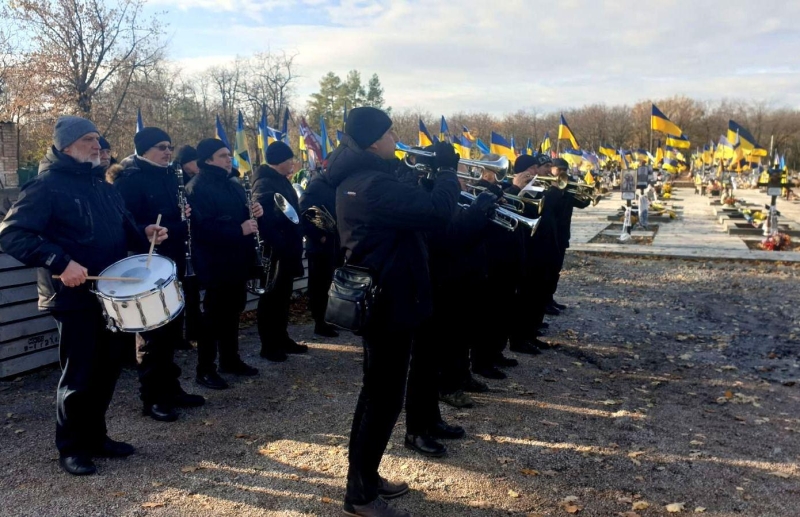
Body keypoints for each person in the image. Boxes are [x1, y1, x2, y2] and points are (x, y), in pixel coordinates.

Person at [0, 116, 168, 476]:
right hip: (71, 296)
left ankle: (96, 437)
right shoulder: (45, 187)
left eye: (98, 140)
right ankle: (72, 447)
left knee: (107, 369)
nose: (98, 146)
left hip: (112, 293)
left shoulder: (103, 186)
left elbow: (122, 231)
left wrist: (145, 233)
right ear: (67, 145)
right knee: (79, 374)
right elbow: (12, 235)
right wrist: (59, 261)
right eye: (90, 140)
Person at [327, 107, 460, 517]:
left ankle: (366, 477)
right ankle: (359, 495)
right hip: (390, 303)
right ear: (372, 141)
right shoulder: (370, 185)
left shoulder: (361, 178)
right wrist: (447, 170)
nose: (395, 140)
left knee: (378, 395)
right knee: (382, 399)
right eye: (389, 134)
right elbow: (438, 212)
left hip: (387, 297)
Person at [114, 127, 205, 422]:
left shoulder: (170, 175)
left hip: (173, 260)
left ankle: (171, 387)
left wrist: (183, 221)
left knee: (171, 331)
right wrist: (150, 231)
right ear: (144, 149)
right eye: (161, 147)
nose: (168, 152)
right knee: (152, 333)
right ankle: (152, 398)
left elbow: (176, 221)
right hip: (147, 264)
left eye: (169, 146)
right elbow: (125, 224)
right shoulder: (130, 179)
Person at [186, 138, 263, 390]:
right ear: (208, 159)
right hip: (215, 261)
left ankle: (230, 360)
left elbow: (242, 215)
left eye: (228, 155)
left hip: (238, 258)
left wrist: (254, 212)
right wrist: (237, 229)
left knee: (233, 311)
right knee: (213, 317)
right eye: (222, 156)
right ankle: (205, 369)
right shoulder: (197, 187)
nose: (229, 159)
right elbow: (201, 228)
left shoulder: (233, 183)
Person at [252, 141, 307, 362]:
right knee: (272, 299)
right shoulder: (265, 183)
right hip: (276, 252)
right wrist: (281, 244)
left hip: (287, 249)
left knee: (283, 298)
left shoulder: (278, 180)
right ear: (280, 161)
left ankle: (281, 338)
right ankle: (269, 345)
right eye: (290, 159)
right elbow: (265, 219)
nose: (292, 163)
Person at [299, 166, 342, 338]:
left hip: (333, 244)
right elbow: (303, 213)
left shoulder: (334, 185)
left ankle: (329, 319)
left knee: (331, 284)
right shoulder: (316, 186)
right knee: (319, 286)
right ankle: (320, 322)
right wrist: (319, 236)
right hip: (319, 247)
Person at [548, 158, 590, 312]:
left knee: (556, 269)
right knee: (548, 269)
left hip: (563, 232)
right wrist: (558, 189)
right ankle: (544, 301)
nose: (562, 173)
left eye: (565, 170)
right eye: (559, 170)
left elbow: (581, 203)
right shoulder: (548, 186)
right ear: (552, 170)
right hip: (550, 233)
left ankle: (550, 298)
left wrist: (586, 193)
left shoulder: (569, 184)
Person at [173, 145, 202, 344]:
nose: (198, 165)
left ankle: (193, 330)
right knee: (180, 292)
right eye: (194, 161)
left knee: (192, 292)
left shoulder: (192, 181)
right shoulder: (178, 181)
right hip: (177, 244)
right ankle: (178, 335)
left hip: (191, 245)